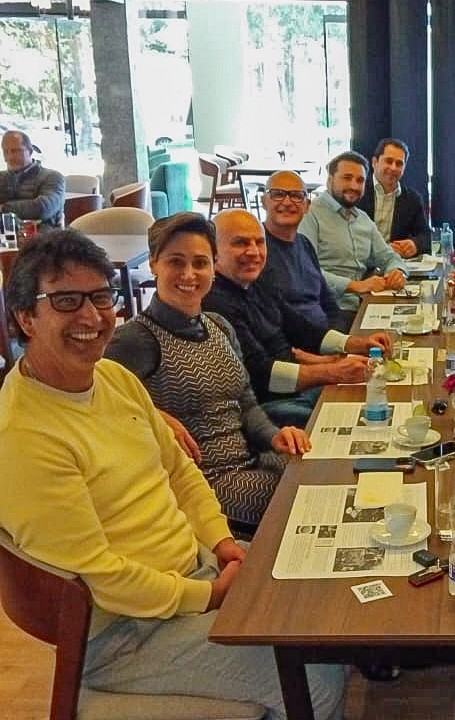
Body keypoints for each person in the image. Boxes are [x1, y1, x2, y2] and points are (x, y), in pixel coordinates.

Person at [0, 231, 347, 719]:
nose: (91, 317)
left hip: (193, 567)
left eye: (100, 297)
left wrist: (222, 542)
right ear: (25, 317)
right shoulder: (24, 435)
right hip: (125, 633)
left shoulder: (112, 378)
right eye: (66, 301)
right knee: (318, 673)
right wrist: (206, 595)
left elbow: (182, 471)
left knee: (324, 605)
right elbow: (98, 575)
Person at [105, 213, 311, 528]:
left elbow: (246, 403)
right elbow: (99, 409)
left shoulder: (219, 326)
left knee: (323, 471)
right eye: (176, 262)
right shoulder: (135, 339)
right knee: (307, 501)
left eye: (200, 263)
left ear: (214, 266)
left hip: (253, 461)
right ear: (154, 264)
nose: (189, 274)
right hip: (204, 485)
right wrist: (152, 415)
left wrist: (275, 436)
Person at [204, 208, 391, 428]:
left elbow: (301, 329)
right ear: (214, 251)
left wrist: (358, 344)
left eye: (259, 242)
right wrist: (332, 372)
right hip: (264, 405)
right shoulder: (214, 302)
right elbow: (259, 373)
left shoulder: (259, 280)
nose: (254, 252)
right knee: (355, 416)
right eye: (241, 243)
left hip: (295, 389)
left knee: (376, 394)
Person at [298, 150, 407, 313]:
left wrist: (397, 272)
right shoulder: (310, 214)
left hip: (361, 305)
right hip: (326, 309)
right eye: (347, 178)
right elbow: (306, 271)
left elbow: (388, 257)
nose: (354, 186)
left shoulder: (363, 219)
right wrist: (356, 286)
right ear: (330, 179)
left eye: (360, 180)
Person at [260, 170, 348, 331]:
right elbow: (273, 319)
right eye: (278, 194)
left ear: (307, 206)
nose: (287, 202)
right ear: (264, 201)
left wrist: (339, 336)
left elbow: (328, 301)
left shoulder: (304, 243)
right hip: (296, 342)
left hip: (327, 336)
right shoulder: (256, 249)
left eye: (296, 196)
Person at [356, 138, 430, 258]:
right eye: (389, 161)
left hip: (395, 263)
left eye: (399, 164)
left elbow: (426, 236)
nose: (394, 168)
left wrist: (415, 244)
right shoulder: (357, 192)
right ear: (374, 162)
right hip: (361, 262)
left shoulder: (412, 199)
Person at [0, 130, 65, 226]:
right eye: (6, 152)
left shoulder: (52, 177)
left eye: (16, 151)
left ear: (30, 151)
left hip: (43, 233)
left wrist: (3, 208)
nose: (10, 157)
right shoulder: (1, 178)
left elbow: (43, 209)